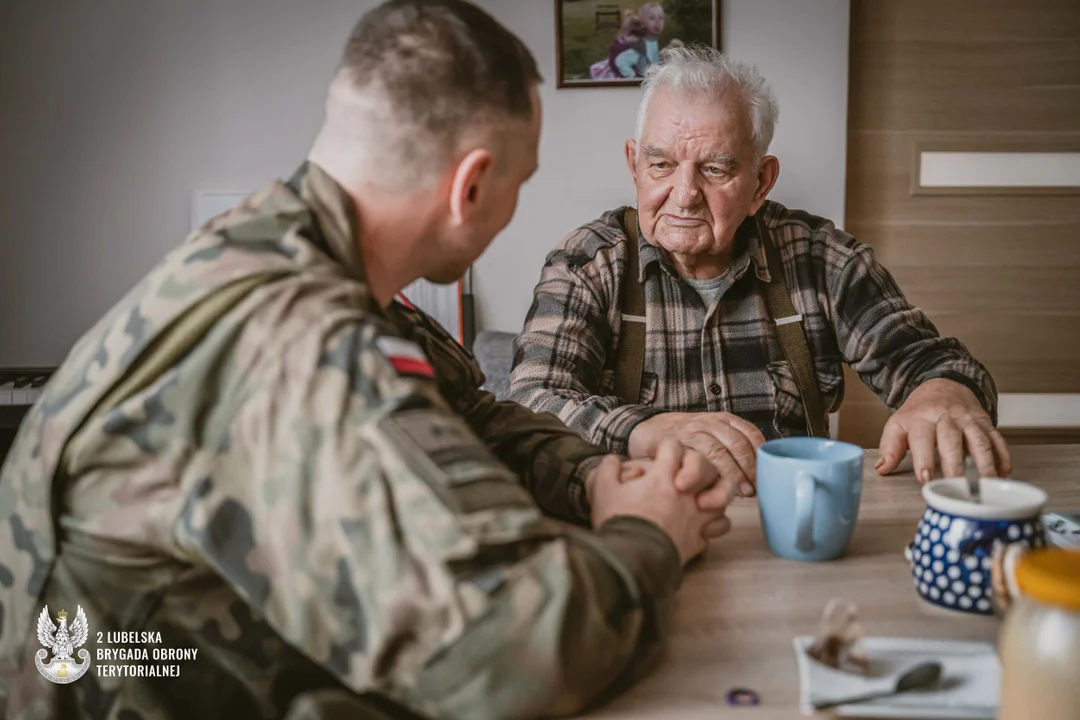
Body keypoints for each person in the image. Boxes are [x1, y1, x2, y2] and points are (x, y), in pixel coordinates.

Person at [0, 4, 737, 719]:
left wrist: (591, 477)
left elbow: (466, 416)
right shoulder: (297, 340)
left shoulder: (284, 248)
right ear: (470, 186)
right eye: (521, 181)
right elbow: (504, 659)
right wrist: (648, 537)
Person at [507, 45, 1011, 500]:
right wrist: (642, 431)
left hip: (796, 528)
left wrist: (943, 391)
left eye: (715, 169)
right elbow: (531, 405)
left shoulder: (820, 258)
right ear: (634, 164)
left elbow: (928, 361)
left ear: (760, 182)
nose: (684, 195)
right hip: (649, 526)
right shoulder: (587, 264)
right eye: (661, 165)